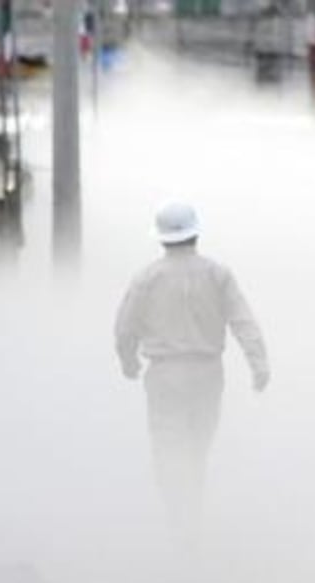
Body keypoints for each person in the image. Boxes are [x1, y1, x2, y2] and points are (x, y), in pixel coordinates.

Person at [114, 202, 270, 538]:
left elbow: (126, 326)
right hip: (207, 374)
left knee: (168, 448)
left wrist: (128, 361)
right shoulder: (218, 275)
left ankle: (179, 518)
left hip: (164, 375)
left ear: (161, 238)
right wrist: (258, 364)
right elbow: (243, 321)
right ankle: (191, 516)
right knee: (198, 448)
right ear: (196, 233)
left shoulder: (147, 278)